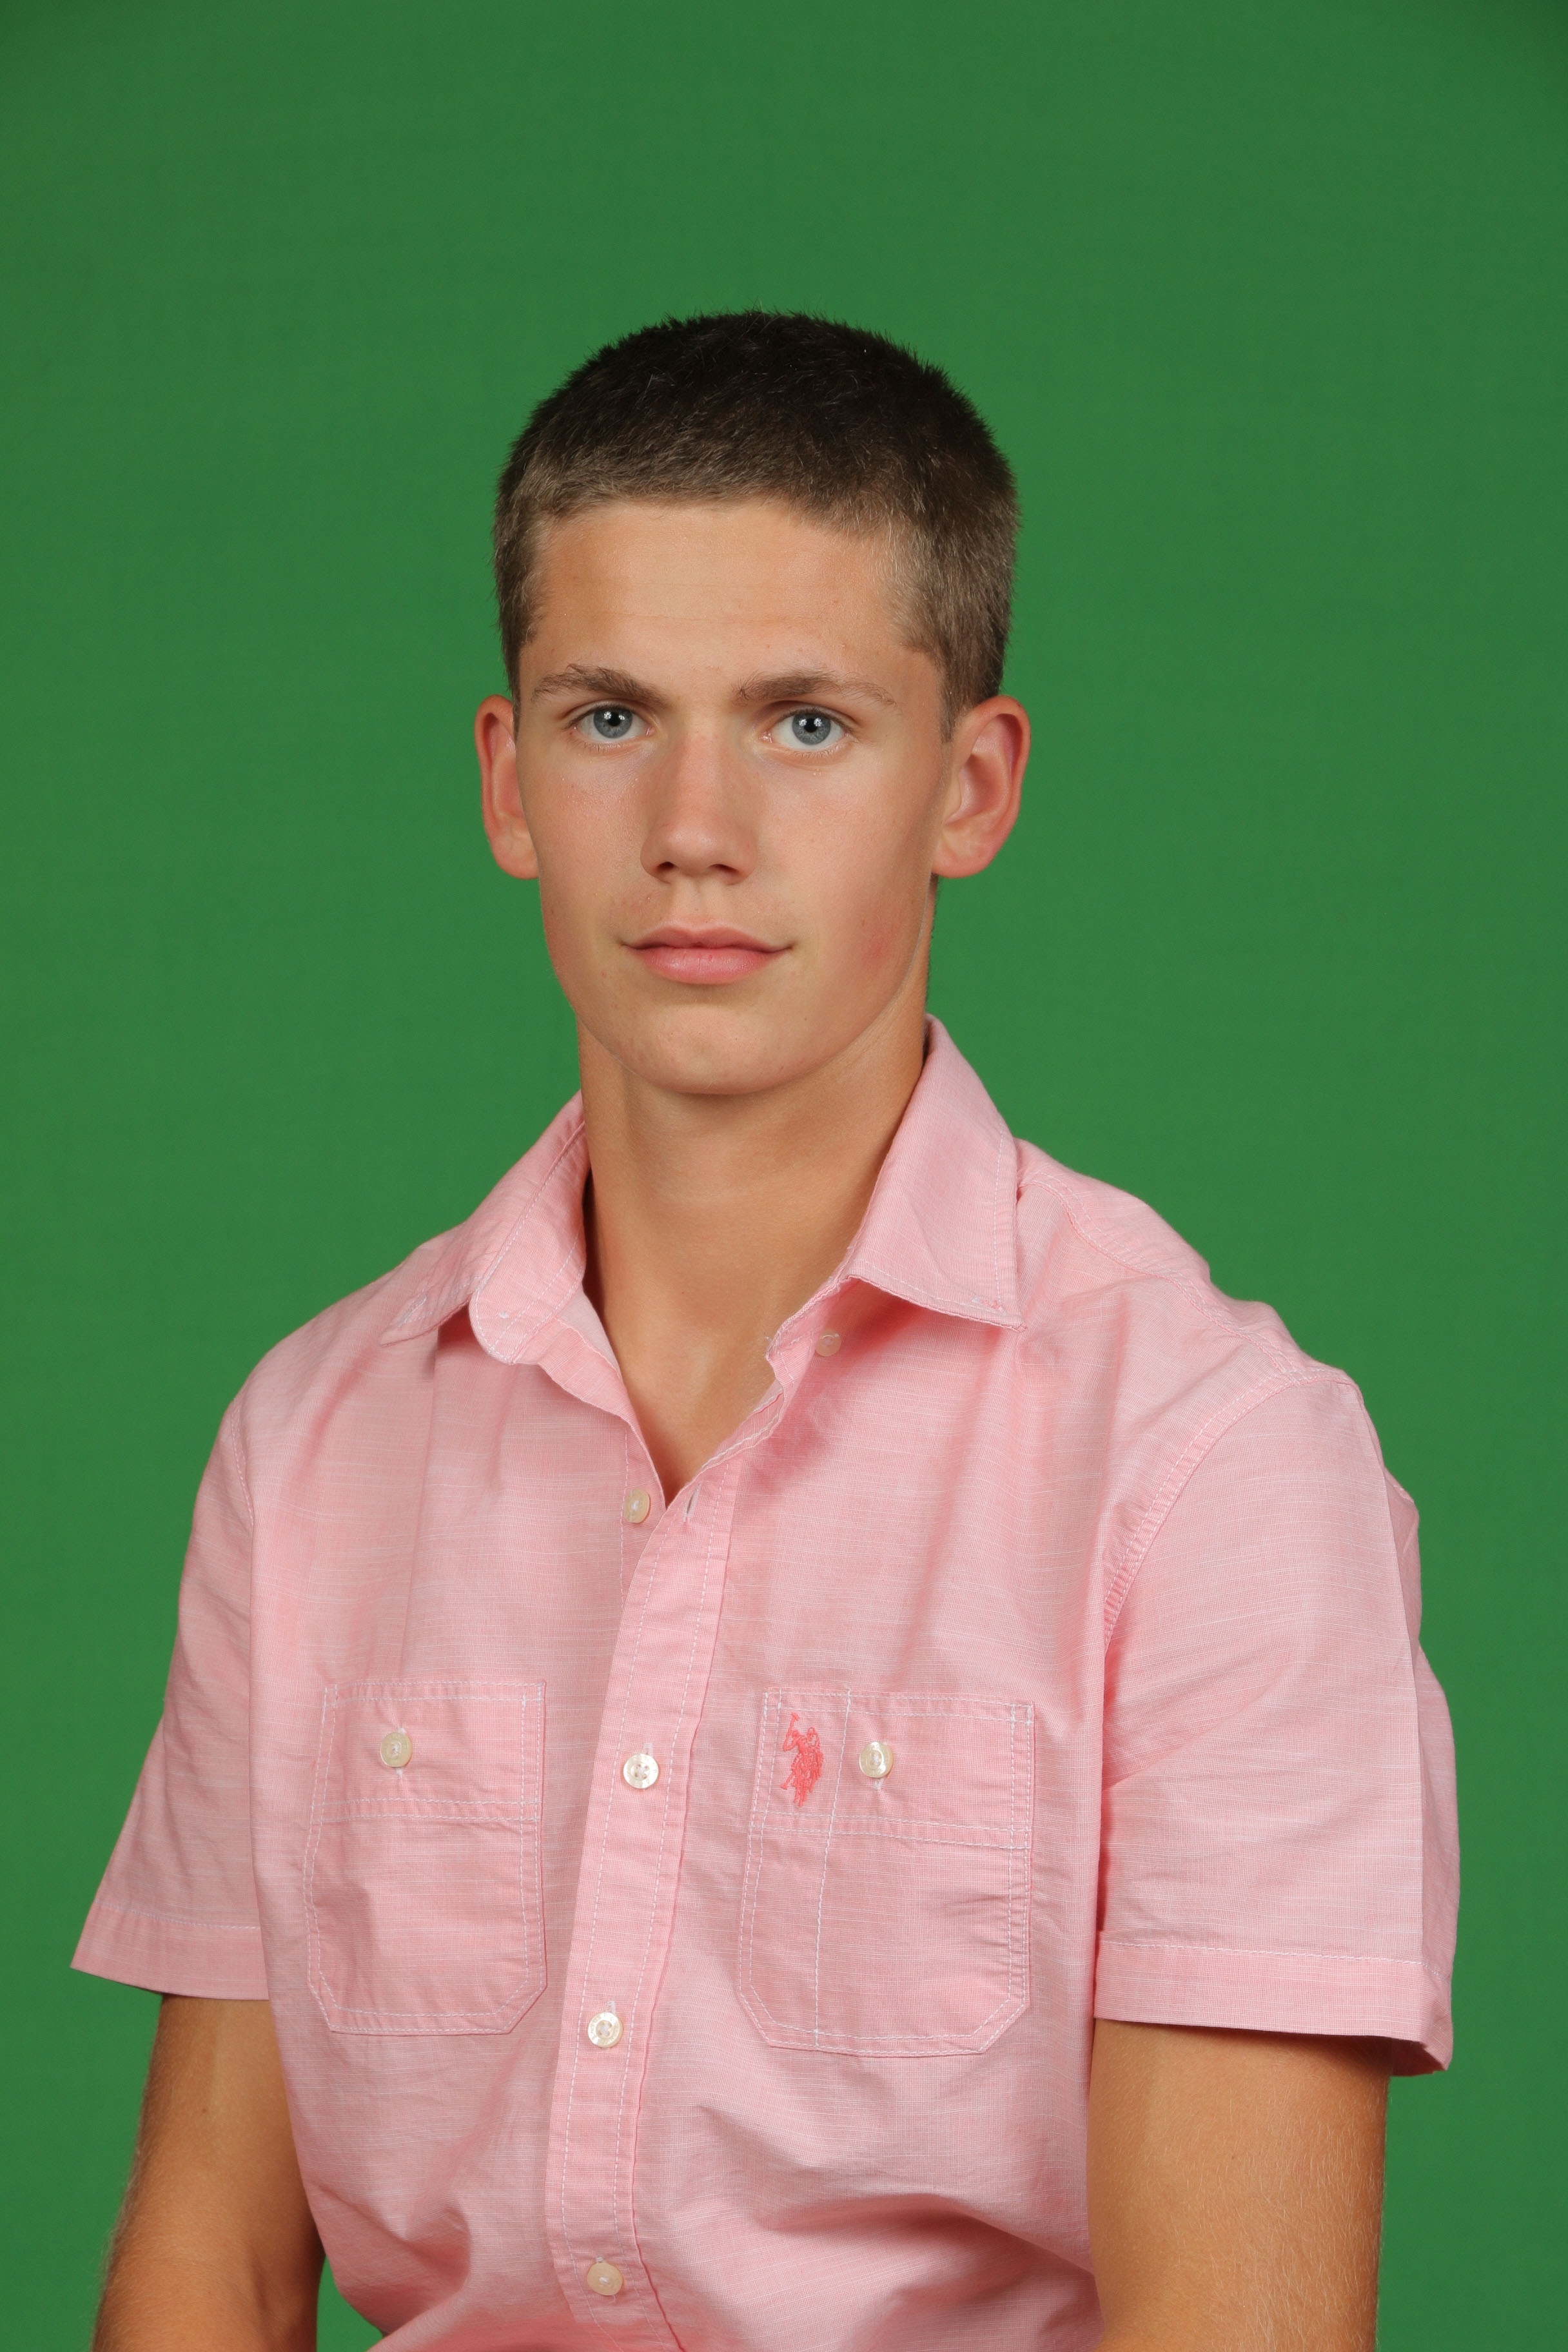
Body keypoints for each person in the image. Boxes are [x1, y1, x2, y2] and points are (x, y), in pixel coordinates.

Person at [77, 311, 1458, 2352]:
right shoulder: (314, 1442)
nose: (695, 827)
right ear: (508, 779)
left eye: (806, 722)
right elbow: (209, 2262)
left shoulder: (1214, 1464)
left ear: (969, 786)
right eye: (611, 717)